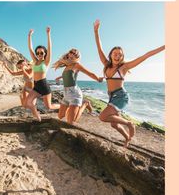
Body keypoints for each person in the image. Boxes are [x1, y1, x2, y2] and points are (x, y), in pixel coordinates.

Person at [93, 19, 165, 147]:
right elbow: (99, 48)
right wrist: (96, 31)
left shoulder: (124, 67)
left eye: (120, 55)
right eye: (115, 54)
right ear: (111, 55)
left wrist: (165, 46)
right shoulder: (106, 65)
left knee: (102, 117)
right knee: (114, 124)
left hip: (121, 96)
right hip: (112, 97)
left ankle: (129, 124)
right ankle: (127, 139)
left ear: (122, 57)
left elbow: (146, 55)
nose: (117, 56)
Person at [53, 48, 103, 125]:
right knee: (60, 117)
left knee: (71, 122)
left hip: (74, 94)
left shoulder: (77, 65)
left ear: (77, 57)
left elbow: (89, 73)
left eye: (75, 54)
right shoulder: (67, 66)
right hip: (66, 94)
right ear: (69, 54)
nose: (73, 54)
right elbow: (69, 75)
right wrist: (60, 77)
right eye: (71, 52)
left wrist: (98, 79)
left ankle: (85, 104)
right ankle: (75, 109)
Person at [26, 27, 60, 121]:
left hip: (44, 85)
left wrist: (48, 34)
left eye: (41, 53)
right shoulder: (35, 61)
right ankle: (37, 116)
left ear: (45, 53)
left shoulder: (46, 62)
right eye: (38, 53)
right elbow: (30, 48)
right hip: (36, 85)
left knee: (49, 106)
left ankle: (62, 106)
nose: (39, 54)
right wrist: (29, 36)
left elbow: (50, 48)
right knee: (28, 102)